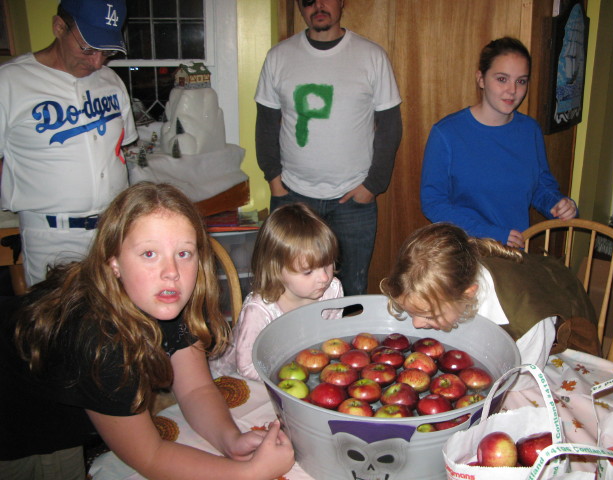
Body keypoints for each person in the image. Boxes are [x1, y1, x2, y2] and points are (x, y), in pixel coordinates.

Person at [0, 183, 294, 480]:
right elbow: (150, 456)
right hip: (21, 429)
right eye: (149, 253)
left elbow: (195, 389)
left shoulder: (166, 297)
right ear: (114, 262)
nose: (172, 272)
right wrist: (250, 473)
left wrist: (230, 440)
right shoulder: (100, 339)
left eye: (184, 253)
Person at [254, 0, 403, 295]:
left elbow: (390, 126)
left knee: (351, 291)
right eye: (309, 0)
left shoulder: (371, 56)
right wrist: (274, 180)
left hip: (353, 202)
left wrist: (372, 186)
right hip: (292, 197)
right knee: (287, 292)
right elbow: (266, 123)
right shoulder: (278, 57)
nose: (318, 5)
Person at [0, 0, 138, 286]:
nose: (97, 62)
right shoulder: (10, 81)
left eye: (106, 51)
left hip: (113, 230)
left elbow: (121, 150)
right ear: (59, 27)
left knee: (116, 311)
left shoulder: (111, 81)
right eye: (87, 49)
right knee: (58, 313)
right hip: (51, 237)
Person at [380, 222, 599, 389]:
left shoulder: (527, 319)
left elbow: (524, 379)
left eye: (429, 316)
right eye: (411, 313)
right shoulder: (456, 278)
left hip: (565, 336)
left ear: (468, 295)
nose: (416, 324)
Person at [420, 37, 577, 249]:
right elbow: (433, 203)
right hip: (466, 251)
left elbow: (540, 186)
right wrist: (491, 234)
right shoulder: (446, 133)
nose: (512, 90)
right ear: (481, 79)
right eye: (502, 79)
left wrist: (558, 204)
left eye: (521, 81)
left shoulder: (530, 130)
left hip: (513, 252)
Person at [211, 202, 343, 381]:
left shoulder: (332, 290)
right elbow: (247, 367)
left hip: (298, 369)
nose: (325, 277)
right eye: (308, 272)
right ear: (276, 271)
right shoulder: (259, 310)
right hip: (236, 378)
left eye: (328, 264)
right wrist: (288, 380)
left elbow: (332, 339)